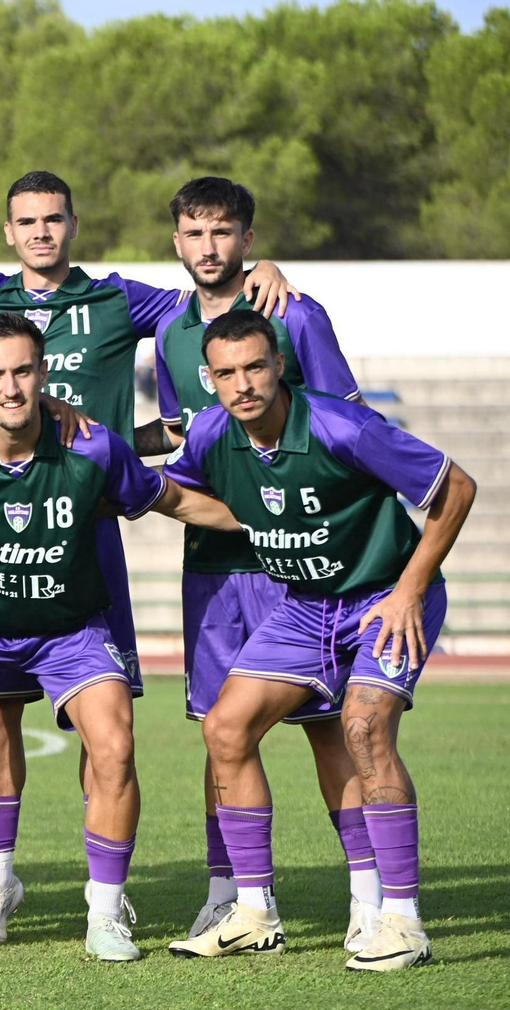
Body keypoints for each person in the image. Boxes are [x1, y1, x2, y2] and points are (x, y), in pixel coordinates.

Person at [0, 170, 299, 941]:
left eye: (54, 218)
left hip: (91, 529)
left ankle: (109, 896)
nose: (41, 232)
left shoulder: (120, 299)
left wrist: (263, 273)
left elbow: (210, 298)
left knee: (106, 725)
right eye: (26, 220)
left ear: (73, 223)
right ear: (7, 231)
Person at [0, 312, 242, 961]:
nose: (10, 387)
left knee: (115, 745)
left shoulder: (93, 446)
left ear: (42, 373)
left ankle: (104, 914)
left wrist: (260, 522)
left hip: (72, 631)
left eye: (21, 371)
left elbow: (173, 499)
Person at [163, 309, 474, 971]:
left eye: (254, 366)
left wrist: (411, 589)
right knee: (224, 728)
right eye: (226, 372)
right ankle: (252, 912)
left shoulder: (342, 424)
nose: (242, 383)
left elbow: (456, 486)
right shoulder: (215, 433)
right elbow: (201, 501)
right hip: (305, 607)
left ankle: (403, 920)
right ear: (209, 378)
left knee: (362, 725)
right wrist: (120, 483)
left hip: (384, 598)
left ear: (278, 365)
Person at [152, 177, 376, 948]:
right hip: (214, 563)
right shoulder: (171, 333)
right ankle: (233, 898)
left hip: (298, 567)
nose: (207, 247)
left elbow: (348, 425)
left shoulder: (295, 312)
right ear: (176, 242)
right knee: (221, 730)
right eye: (193, 232)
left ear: (248, 237)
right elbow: (187, 445)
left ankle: (367, 895)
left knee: (328, 730)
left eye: (223, 232)